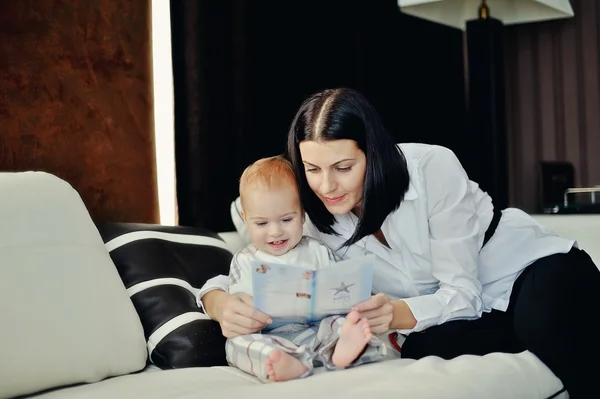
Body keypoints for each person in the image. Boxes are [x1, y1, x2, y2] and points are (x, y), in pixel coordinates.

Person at [198, 88, 600, 398]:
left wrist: (393, 312)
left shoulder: (431, 169)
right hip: (458, 315)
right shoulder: (307, 212)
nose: (326, 186)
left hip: (525, 270)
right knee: (423, 345)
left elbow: (462, 292)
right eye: (312, 169)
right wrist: (220, 305)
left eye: (343, 167)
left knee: (548, 324)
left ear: (372, 154)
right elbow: (248, 236)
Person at [221, 155, 386, 382]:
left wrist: (351, 303)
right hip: (271, 336)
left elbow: (342, 286)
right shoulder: (244, 260)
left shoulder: (317, 250)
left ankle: (342, 351)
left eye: (287, 220)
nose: (275, 232)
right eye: (261, 223)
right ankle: (288, 362)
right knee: (237, 343)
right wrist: (249, 313)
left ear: (302, 214)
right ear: (245, 218)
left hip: (316, 329)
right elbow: (238, 307)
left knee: (343, 324)